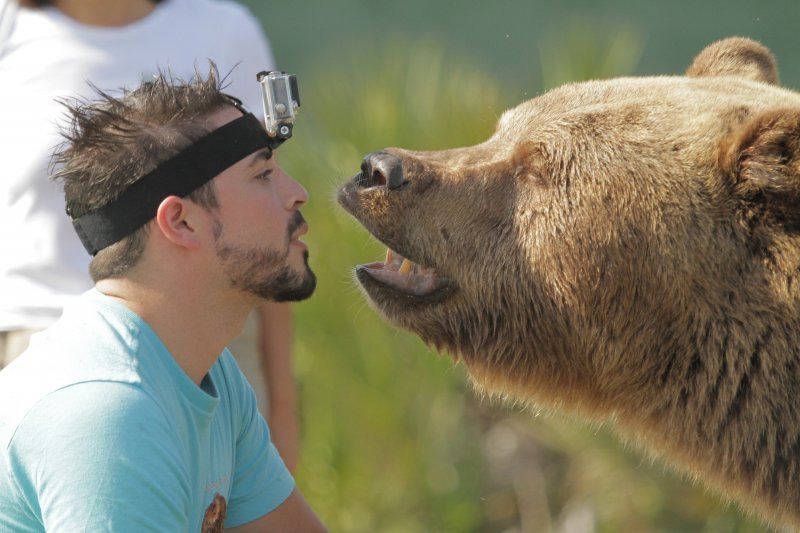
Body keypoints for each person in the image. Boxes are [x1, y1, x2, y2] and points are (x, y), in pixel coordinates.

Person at [0, 68, 326, 531]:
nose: (298, 194)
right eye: (264, 174)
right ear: (181, 222)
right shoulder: (108, 416)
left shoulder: (206, 372)